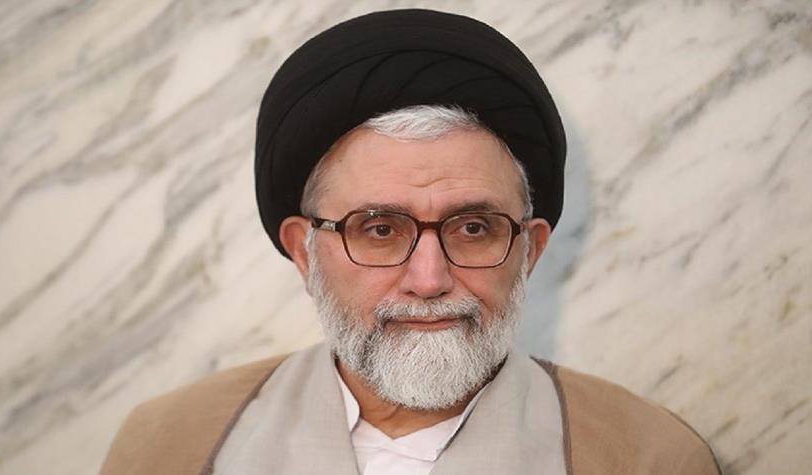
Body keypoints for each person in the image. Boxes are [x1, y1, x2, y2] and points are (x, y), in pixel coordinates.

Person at [101, 9, 721, 475]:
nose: (429, 280)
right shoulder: (172, 444)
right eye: (379, 229)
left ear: (529, 251)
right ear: (304, 251)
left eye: (473, 228)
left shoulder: (647, 457)